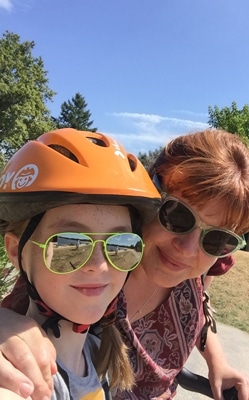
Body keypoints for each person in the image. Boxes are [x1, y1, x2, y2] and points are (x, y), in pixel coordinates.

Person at [0, 129, 249, 400]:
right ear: (150, 196)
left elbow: (203, 301)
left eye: (218, 239)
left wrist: (217, 362)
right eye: (178, 216)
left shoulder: (197, 267)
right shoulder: (80, 271)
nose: (188, 249)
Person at [0, 128, 161, 399]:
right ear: (16, 251)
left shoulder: (99, 354)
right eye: (69, 243)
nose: (99, 265)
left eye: (120, 245)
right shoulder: (23, 380)